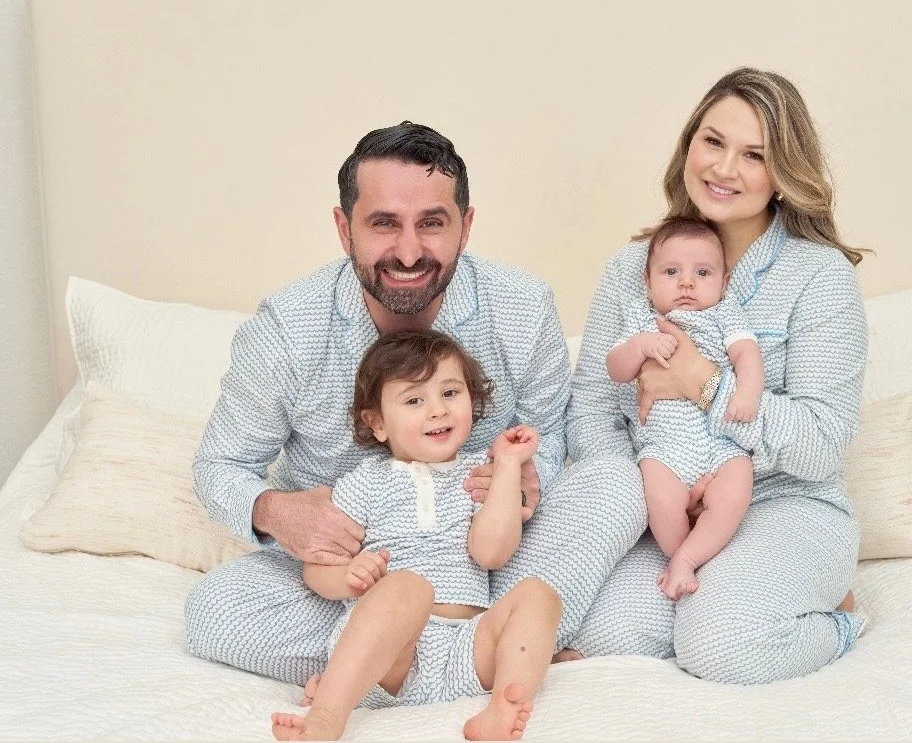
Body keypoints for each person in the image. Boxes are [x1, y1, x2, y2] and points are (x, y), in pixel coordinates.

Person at [185, 121, 644, 706]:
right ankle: (483, 656)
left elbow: (550, 430)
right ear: (344, 229)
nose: (407, 252)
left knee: (616, 481)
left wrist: (528, 480)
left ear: (465, 226)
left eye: (431, 223)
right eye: (383, 224)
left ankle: (382, 669)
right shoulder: (286, 329)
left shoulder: (523, 306)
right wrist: (275, 511)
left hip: (488, 553)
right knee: (212, 612)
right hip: (355, 577)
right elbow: (220, 465)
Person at [563, 67, 869, 684]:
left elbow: (821, 444)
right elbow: (591, 408)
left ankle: (839, 617)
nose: (724, 168)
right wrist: (654, 483)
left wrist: (704, 384)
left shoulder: (820, 277)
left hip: (785, 502)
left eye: (754, 155)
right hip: (668, 504)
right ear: (689, 145)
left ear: (784, 173)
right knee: (586, 631)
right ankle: (720, 592)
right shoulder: (631, 268)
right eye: (713, 141)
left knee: (720, 646)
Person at [271, 330, 560, 741]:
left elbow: (491, 553)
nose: (437, 410)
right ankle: (327, 716)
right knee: (409, 587)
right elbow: (315, 568)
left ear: (472, 401)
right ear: (377, 423)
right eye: (414, 401)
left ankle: (502, 708)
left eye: (450, 393)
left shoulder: (480, 475)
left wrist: (508, 466)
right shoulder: (363, 483)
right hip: (389, 655)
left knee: (539, 595)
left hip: (465, 649)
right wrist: (350, 575)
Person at [606, 216, 763, 600]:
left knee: (737, 485)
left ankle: (690, 558)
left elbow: (747, 354)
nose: (687, 283)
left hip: (720, 443)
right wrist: (639, 347)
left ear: (725, 282)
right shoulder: (643, 320)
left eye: (703, 273)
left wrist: (746, 393)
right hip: (664, 449)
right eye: (671, 272)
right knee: (660, 500)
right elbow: (615, 369)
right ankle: (679, 554)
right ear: (647, 282)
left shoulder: (724, 314)